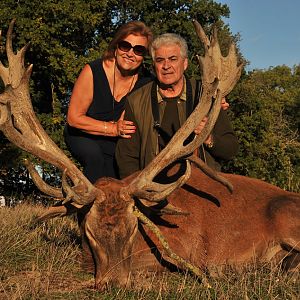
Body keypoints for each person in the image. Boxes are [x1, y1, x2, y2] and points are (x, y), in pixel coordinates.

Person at [115, 33, 239, 179]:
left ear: (185, 63)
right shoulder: (136, 101)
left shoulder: (207, 96)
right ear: (154, 66)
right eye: (160, 60)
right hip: (153, 189)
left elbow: (231, 149)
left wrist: (208, 138)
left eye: (173, 59)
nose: (166, 66)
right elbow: (126, 157)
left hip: (200, 186)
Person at [64, 21, 153, 183]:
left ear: (144, 56)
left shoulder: (147, 83)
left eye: (139, 50)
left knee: (118, 173)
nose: (130, 54)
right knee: (95, 158)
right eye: (125, 46)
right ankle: (85, 206)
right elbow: (74, 118)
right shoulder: (93, 70)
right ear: (116, 46)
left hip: (115, 143)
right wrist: (113, 128)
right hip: (83, 134)